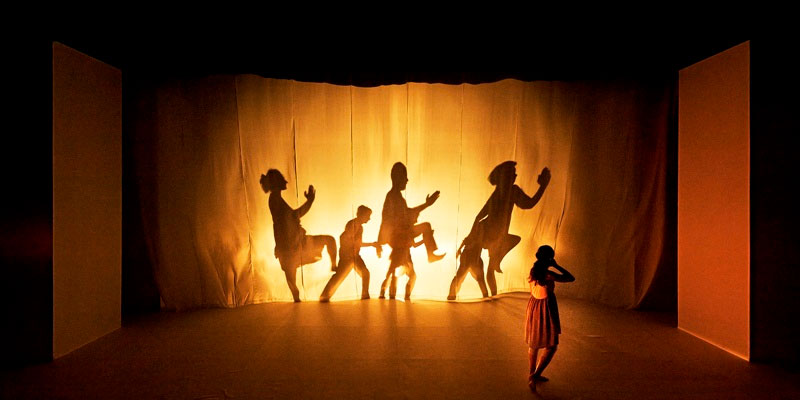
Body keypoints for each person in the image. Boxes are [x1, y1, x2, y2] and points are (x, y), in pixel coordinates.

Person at [448, 161, 551, 299]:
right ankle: (463, 294)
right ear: (504, 177)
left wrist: (543, 187)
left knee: (487, 271)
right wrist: (471, 236)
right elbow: (480, 216)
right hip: (486, 234)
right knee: (469, 271)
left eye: (514, 174)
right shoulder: (501, 193)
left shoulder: (510, 191)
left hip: (495, 236)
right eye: (512, 173)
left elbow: (528, 203)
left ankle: (491, 293)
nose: (515, 176)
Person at [260, 169, 336, 302]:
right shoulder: (275, 199)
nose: (286, 181)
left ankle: (333, 266)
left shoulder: (275, 199)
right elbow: (294, 216)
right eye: (282, 178)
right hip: (292, 245)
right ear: (277, 182)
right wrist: (310, 202)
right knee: (328, 240)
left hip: (291, 244)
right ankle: (333, 266)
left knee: (291, 275)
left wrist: (309, 202)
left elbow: (291, 218)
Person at [378, 162, 445, 300]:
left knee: (395, 271)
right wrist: (426, 205)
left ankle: (392, 294)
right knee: (394, 272)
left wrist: (426, 204)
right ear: (398, 178)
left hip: (401, 236)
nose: (407, 180)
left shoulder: (396, 197)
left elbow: (407, 214)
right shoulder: (393, 197)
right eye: (405, 177)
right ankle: (430, 255)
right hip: (399, 236)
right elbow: (398, 218)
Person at [524, 245, 574, 392]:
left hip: (534, 306)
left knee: (534, 343)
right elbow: (571, 278)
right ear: (550, 258)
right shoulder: (548, 274)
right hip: (545, 307)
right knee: (551, 345)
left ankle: (532, 374)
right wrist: (556, 265)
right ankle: (534, 376)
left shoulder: (534, 271)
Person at [319, 205, 381, 302]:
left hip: (354, 255)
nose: (369, 218)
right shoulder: (352, 225)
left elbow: (358, 243)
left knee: (364, 273)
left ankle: (365, 294)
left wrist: (371, 244)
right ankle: (324, 296)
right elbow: (344, 238)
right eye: (368, 216)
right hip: (347, 256)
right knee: (340, 276)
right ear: (362, 215)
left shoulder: (359, 227)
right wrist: (348, 251)